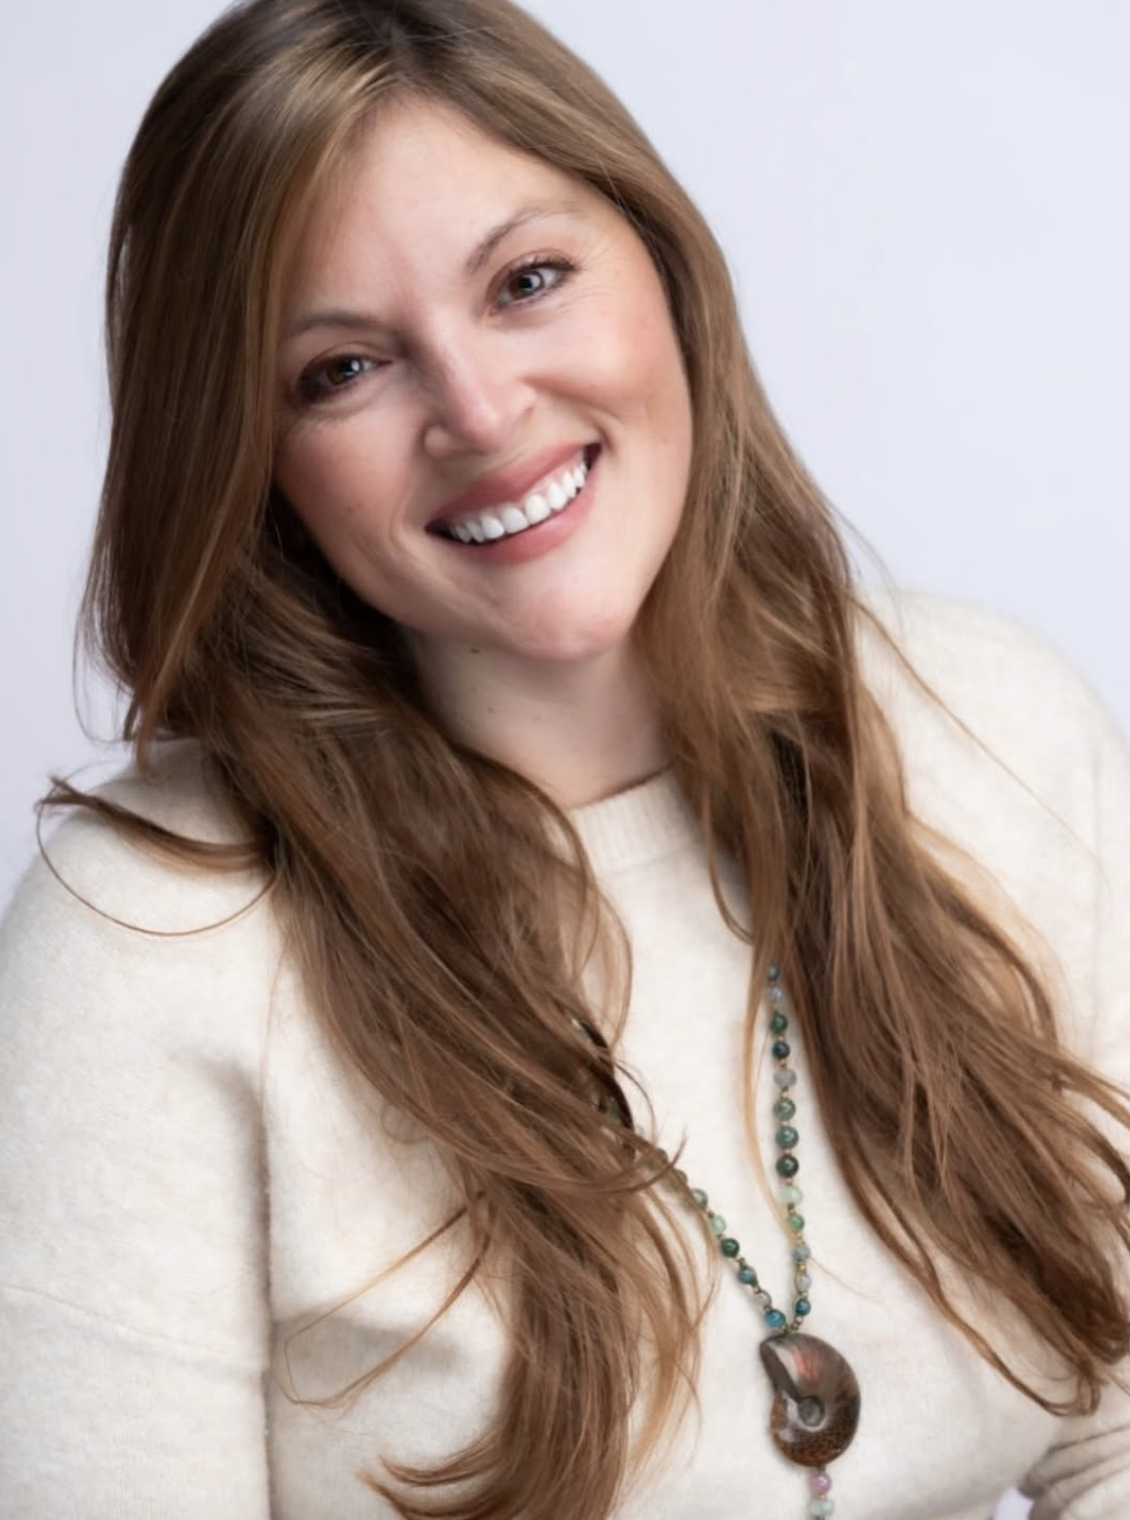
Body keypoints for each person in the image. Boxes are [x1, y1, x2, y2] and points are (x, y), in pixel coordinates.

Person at [1, 1, 1128, 1516]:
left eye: (526, 282)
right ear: (250, 460)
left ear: (663, 267)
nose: (479, 412)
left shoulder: (987, 722)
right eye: (343, 369)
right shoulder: (151, 948)